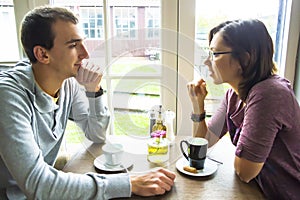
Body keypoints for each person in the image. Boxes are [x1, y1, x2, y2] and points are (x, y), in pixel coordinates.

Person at [0, 6, 175, 199]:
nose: (85, 54)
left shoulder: (66, 83)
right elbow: (39, 185)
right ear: (42, 54)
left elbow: (96, 134)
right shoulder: (8, 96)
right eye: (73, 45)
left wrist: (94, 91)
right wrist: (129, 183)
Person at [187, 19, 300, 199]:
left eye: (215, 53)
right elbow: (203, 144)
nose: (207, 62)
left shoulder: (269, 93)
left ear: (245, 59)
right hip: (260, 190)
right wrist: (197, 105)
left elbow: (245, 171)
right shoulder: (233, 95)